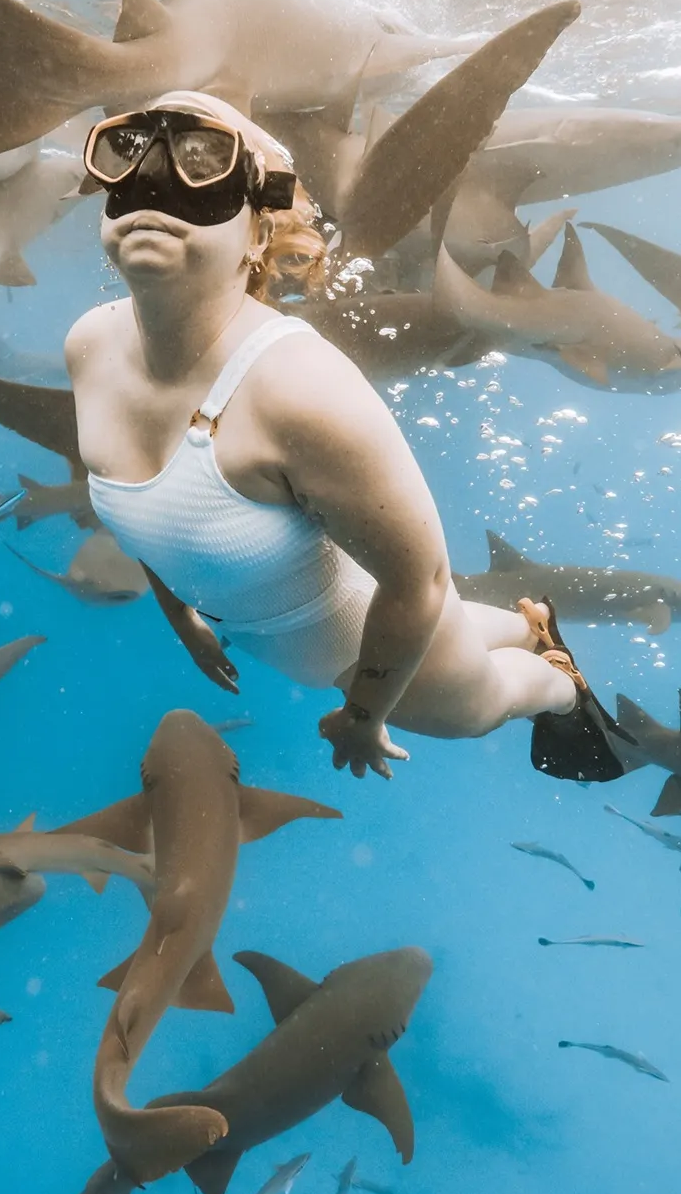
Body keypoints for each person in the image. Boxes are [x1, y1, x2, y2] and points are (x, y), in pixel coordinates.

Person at [64, 91, 632, 782]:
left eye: (203, 161)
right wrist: (181, 615)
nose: (154, 184)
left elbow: (420, 581)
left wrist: (364, 713)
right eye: (129, 153)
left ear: (257, 233)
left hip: (366, 636)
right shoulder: (90, 345)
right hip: (282, 624)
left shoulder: (300, 390)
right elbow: (149, 508)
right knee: (456, 627)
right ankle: (526, 623)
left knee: (473, 710)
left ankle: (559, 683)